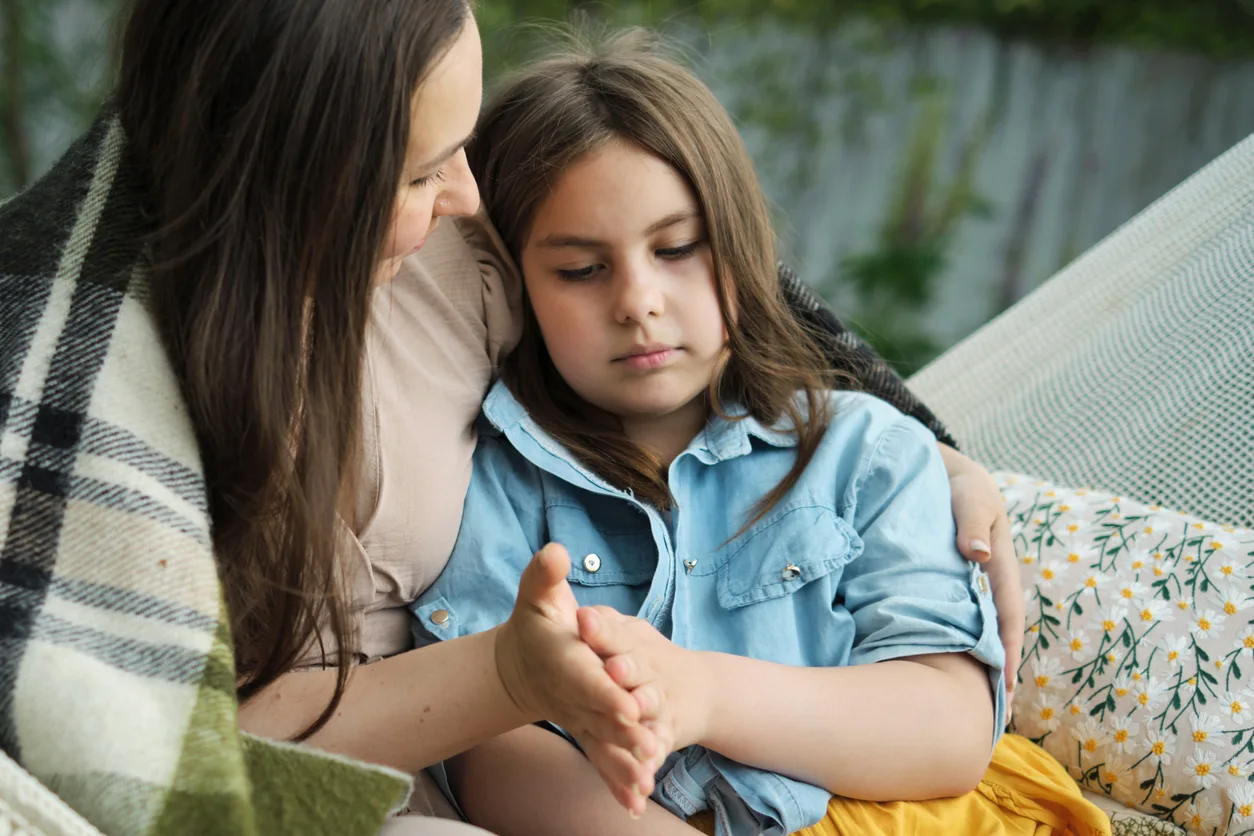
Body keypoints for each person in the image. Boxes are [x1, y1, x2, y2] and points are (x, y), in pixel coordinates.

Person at [0, 1, 1022, 833]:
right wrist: (515, 675)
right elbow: (188, 738)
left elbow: (688, 238)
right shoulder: (105, 371)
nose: (467, 192)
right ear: (305, 175)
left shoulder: (470, 237)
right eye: (419, 170)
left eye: (464, 145)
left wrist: (932, 453)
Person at [410, 33, 1108, 836]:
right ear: (512, 286)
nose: (639, 300)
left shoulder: (863, 455)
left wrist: (701, 693)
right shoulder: (496, 479)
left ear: (743, 250)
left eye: (676, 249)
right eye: (580, 269)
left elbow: (950, 724)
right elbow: (483, 748)